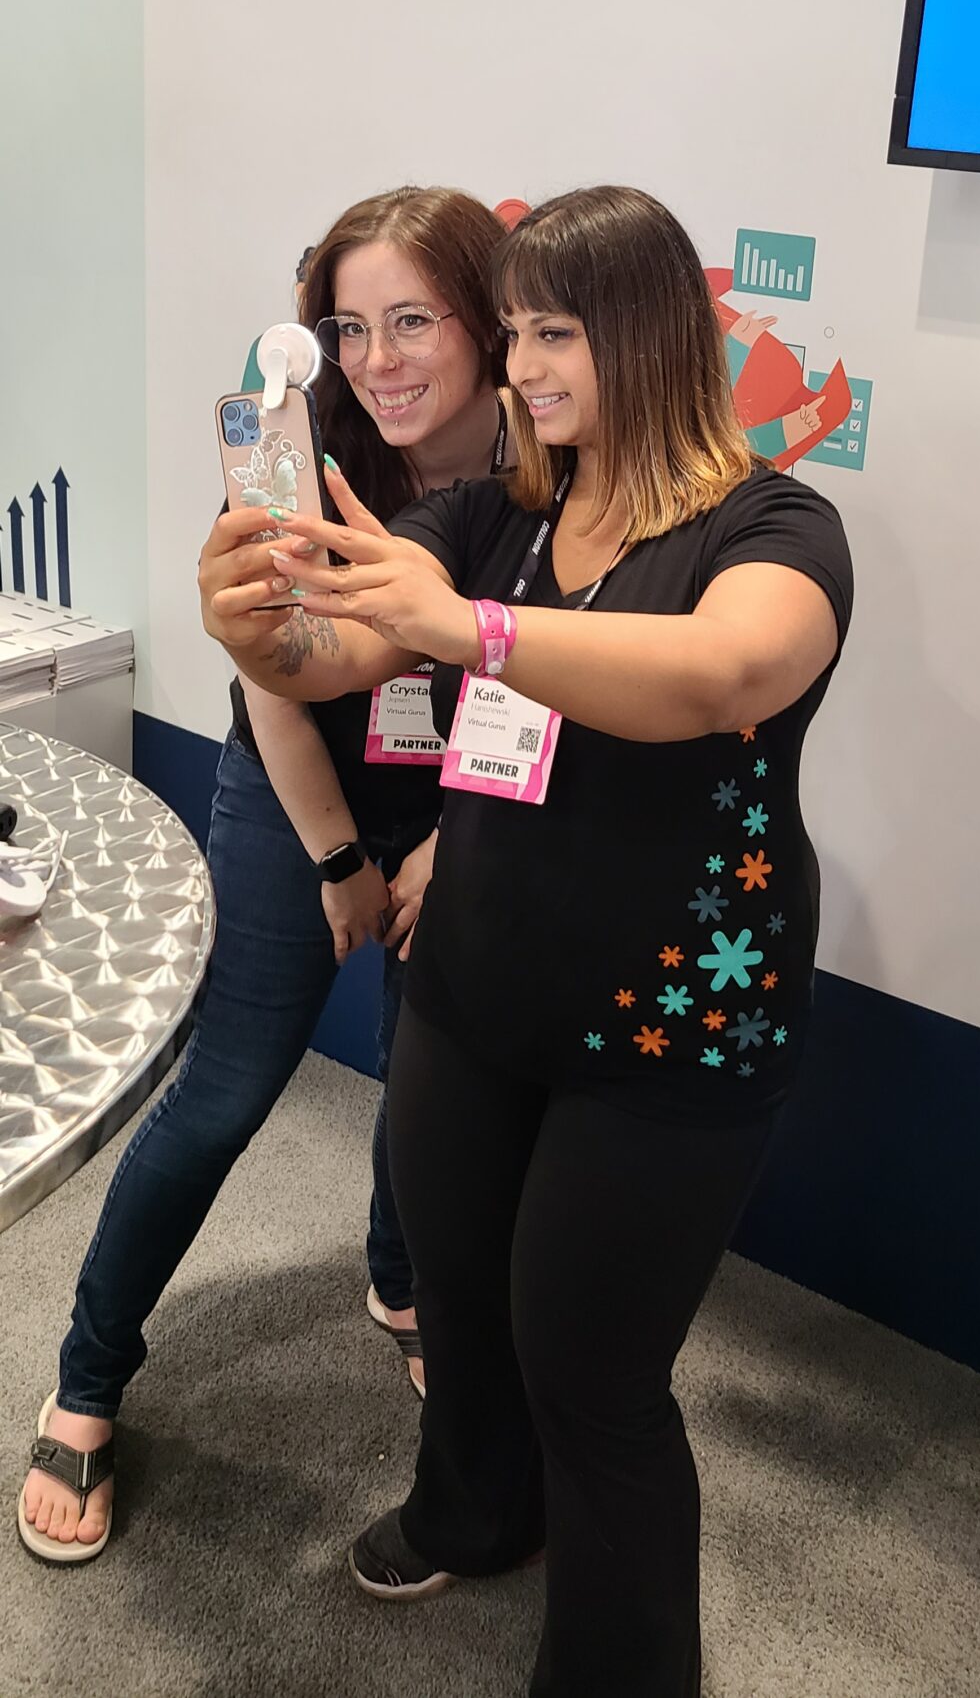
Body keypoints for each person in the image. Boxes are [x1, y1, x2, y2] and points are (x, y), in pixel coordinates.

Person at [197, 185, 853, 1698]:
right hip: (475, 993)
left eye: (554, 332)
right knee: (465, 1306)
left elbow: (717, 673)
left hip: (670, 1037)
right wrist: (249, 625)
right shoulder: (499, 513)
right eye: (514, 335)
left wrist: (469, 631)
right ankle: (477, 1510)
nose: (524, 367)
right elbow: (337, 645)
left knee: (595, 1381)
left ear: (645, 334)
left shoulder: (774, 528)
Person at [19, 184, 506, 1564]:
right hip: (293, 802)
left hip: (459, 816)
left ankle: (403, 1284)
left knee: (433, 1085)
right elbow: (276, 684)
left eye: (415, 319)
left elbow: (537, 690)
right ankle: (88, 1378)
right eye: (349, 326)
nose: (381, 359)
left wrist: (445, 845)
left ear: (486, 323)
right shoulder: (290, 457)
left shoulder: (543, 480)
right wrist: (345, 860)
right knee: (223, 1095)